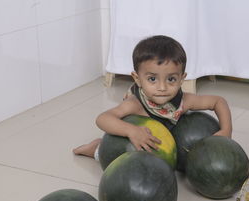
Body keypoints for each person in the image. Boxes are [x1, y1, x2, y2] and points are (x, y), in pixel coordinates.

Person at [73, 35, 232, 158]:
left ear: (182, 78)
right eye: (152, 79)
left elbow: (218, 101)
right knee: (115, 153)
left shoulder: (184, 101)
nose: (162, 87)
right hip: (131, 139)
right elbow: (102, 118)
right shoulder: (135, 104)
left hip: (163, 143)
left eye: (171, 79)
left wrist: (226, 130)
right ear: (137, 79)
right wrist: (131, 131)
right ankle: (95, 147)